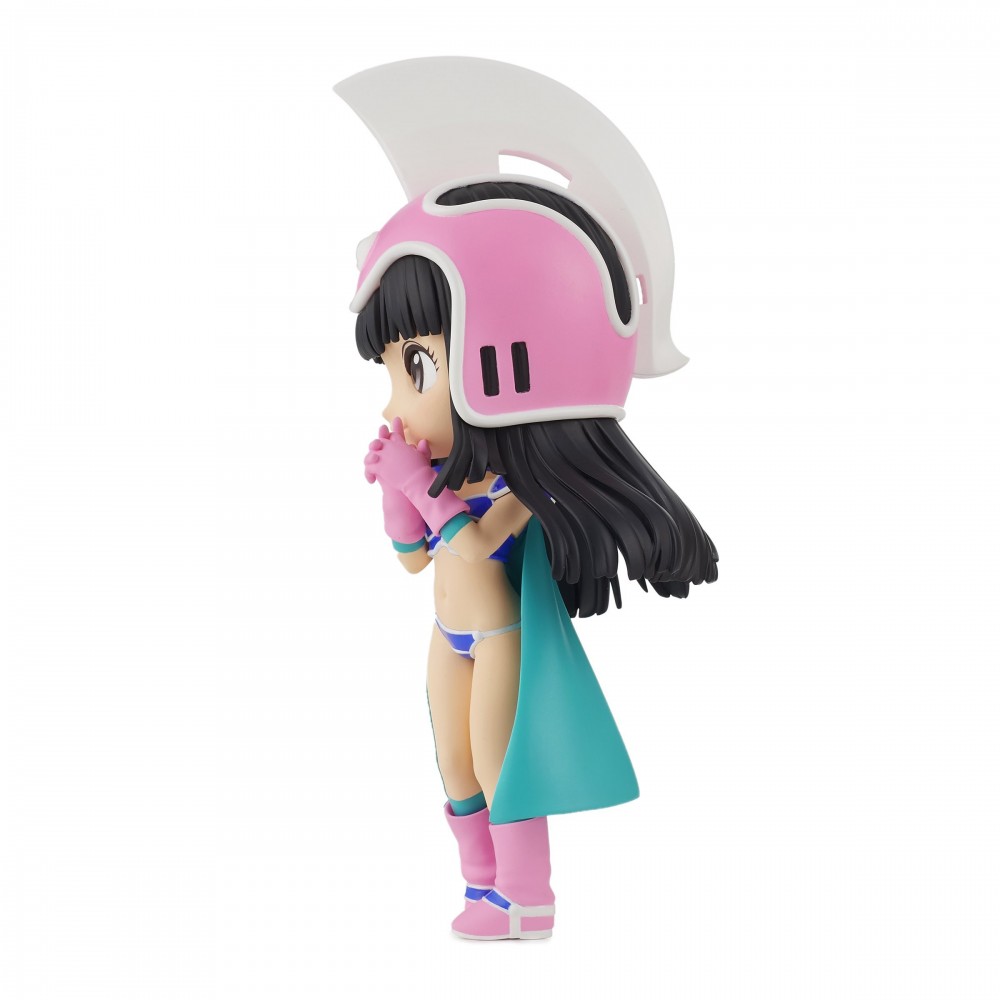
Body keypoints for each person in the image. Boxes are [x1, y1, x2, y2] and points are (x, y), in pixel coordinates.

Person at [356, 179, 718, 940]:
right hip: (448, 635)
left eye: (417, 368)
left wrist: (416, 485)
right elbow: (414, 560)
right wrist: (397, 490)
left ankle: (527, 896)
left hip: (499, 639)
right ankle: (480, 884)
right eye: (392, 372)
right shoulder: (449, 474)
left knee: (501, 766)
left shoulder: (522, 485)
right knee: (454, 763)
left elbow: (476, 545)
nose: (394, 403)